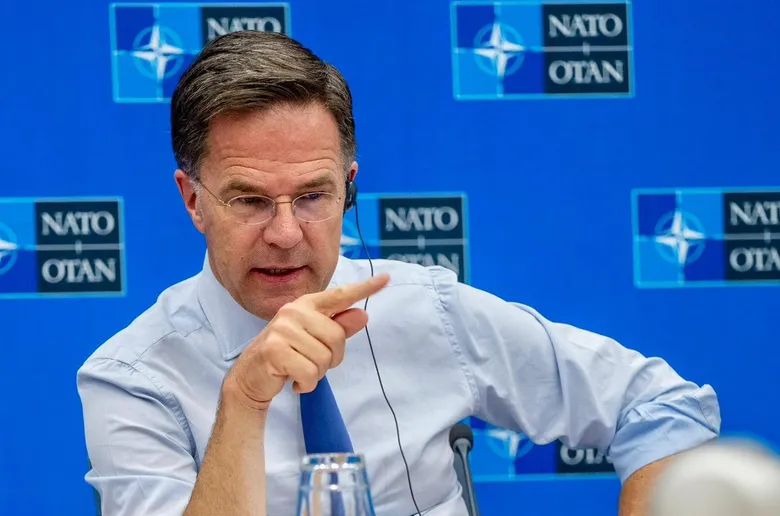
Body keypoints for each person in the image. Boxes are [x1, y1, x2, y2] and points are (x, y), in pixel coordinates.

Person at [76, 30, 721, 516]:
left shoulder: (425, 308)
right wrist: (244, 397)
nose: (285, 233)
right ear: (193, 200)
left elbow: (658, 404)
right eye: (249, 201)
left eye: (313, 195)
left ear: (349, 187)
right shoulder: (133, 379)